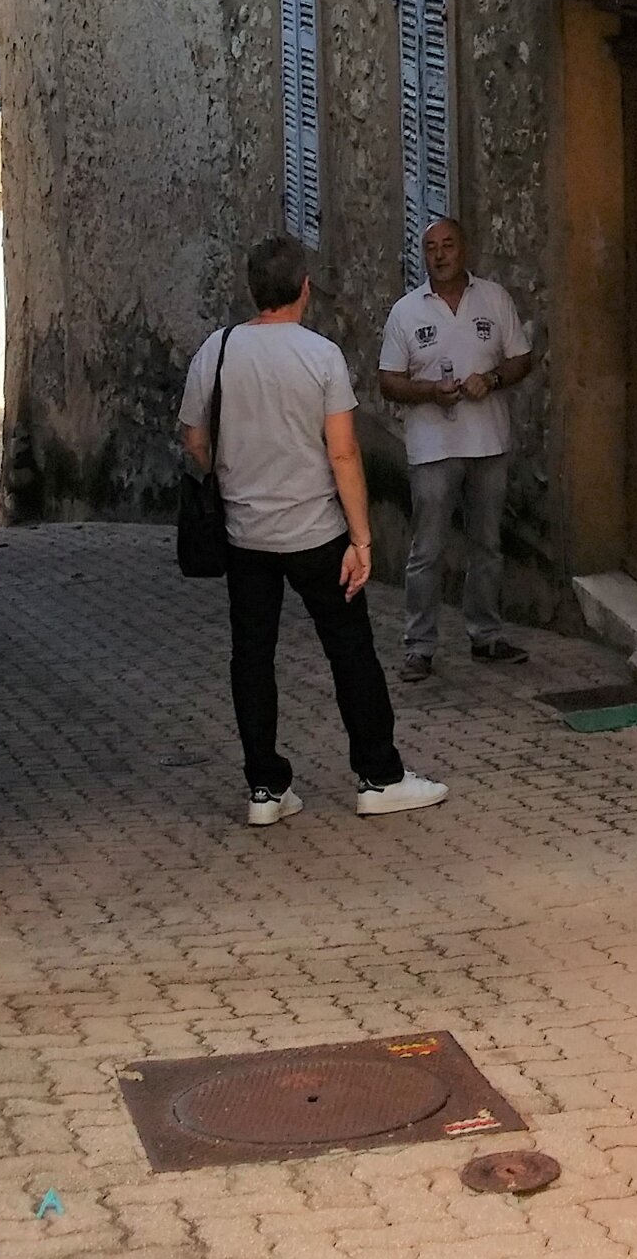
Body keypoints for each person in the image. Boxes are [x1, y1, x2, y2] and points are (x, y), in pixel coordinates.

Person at [180, 233, 445, 827]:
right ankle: (378, 775)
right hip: (316, 532)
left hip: (246, 534)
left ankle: (265, 790)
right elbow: (344, 454)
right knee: (350, 650)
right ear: (304, 289)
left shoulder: (216, 352)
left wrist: (226, 469)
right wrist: (363, 539)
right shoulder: (322, 356)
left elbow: (195, 437)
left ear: (252, 290)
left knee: (251, 656)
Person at [379, 217, 532, 683]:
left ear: (464, 250)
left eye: (448, 245)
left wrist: (492, 379)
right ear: (423, 255)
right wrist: (430, 392)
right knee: (427, 548)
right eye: (431, 248)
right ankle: (419, 646)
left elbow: (521, 358)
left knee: (487, 544)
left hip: (489, 442)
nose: (440, 255)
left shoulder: (494, 299)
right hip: (433, 447)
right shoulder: (406, 312)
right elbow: (388, 381)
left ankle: (485, 634)